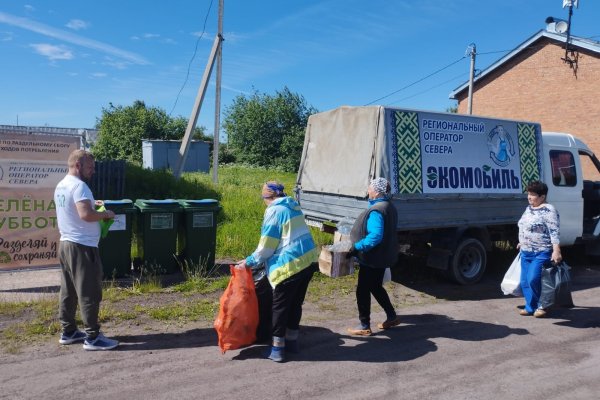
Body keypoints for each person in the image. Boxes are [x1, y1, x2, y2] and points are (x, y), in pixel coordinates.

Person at [236, 181, 318, 362]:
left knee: (279, 308)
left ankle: (277, 350)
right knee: (295, 303)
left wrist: (249, 262)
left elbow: (267, 246)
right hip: (309, 261)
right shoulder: (293, 206)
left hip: (290, 266)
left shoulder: (274, 211)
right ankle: (292, 343)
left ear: (268, 197)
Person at [54, 149, 119, 350]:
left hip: (66, 244)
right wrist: (106, 214)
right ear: (78, 165)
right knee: (89, 292)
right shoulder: (80, 186)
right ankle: (93, 338)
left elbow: (78, 210)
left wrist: (93, 205)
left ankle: (69, 331)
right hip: (82, 247)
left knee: (69, 291)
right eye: (90, 167)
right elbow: (86, 215)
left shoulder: (61, 185)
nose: (93, 171)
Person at [347, 177, 400, 336]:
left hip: (373, 258)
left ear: (376, 192)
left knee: (362, 290)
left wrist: (356, 247)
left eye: (370, 188)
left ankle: (364, 325)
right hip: (383, 255)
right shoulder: (389, 206)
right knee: (375, 286)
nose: (368, 190)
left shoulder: (377, 210)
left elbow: (375, 236)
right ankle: (391, 316)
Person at [517, 180, 562, 318]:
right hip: (526, 251)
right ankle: (530, 307)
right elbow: (523, 226)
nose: (529, 197)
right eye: (528, 194)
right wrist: (522, 241)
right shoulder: (528, 209)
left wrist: (556, 250)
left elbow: (554, 231)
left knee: (533, 278)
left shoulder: (549, 210)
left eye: (533, 194)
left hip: (541, 252)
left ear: (542, 197)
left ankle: (542, 305)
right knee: (524, 281)